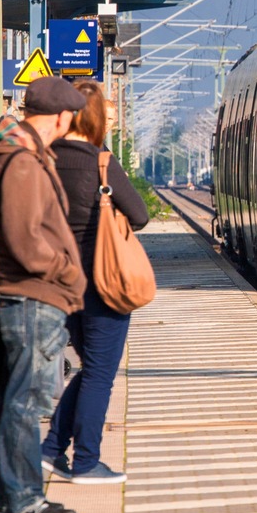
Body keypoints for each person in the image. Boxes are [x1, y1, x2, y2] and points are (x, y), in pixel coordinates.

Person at [0, 77, 87, 513]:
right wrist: (66, 269)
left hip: (33, 293)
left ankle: (18, 497)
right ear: (59, 117)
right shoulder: (21, 162)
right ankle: (21, 500)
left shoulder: (22, 155)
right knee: (26, 401)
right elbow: (23, 238)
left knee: (19, 398)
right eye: (68, 118)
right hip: (34, 294)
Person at [41, 81, 148, 485]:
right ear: (96, 119)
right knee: (100, 374)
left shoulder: (45, 160)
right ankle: (86, 461)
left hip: (61, 284)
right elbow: (138, 215)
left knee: (90, 370)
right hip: (103, 282)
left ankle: (51, 450)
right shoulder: (100, 161)